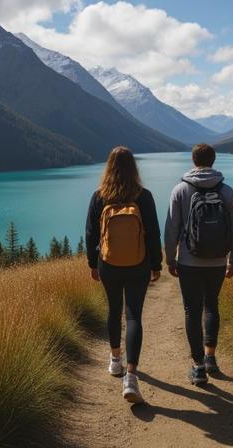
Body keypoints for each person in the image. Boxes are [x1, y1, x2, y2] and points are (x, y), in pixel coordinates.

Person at [86, 146, 162, 404]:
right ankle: (131, 377)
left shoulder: (99, 196)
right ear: (134, 168)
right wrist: (157, 264)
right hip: (139, 263)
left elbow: (90, 234)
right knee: (133, 315)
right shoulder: (144, 196)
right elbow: (153, 232)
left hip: (108, 263)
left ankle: (115, 361)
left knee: (113, 309)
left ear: (109, 167)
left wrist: (92, 264)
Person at [165, 144, 233, 385]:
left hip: (189, 261)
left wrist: (170, 258)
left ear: (193, 160)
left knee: (192, 310)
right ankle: (210, 358)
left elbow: (171, 229)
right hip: (218, 261)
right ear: (213, 160)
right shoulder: (227, 191)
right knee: (212, 306)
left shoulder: (180, 190)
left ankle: (198, 367)